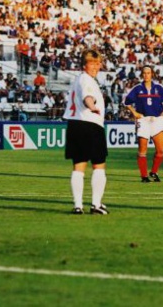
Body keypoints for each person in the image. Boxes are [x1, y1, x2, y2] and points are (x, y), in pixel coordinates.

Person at [63, 48, 109, 215]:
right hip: (90, 124)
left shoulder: (79, 79)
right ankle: (95, 204)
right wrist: (93, 107)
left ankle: (78, 205)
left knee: (79, 166)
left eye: (98, 63)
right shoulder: (87, 80)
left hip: (75, 125)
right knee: (98, 165)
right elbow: (87, 97)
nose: (96, 67)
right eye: (92, 63)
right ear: (84, 65)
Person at [124, 65, 163, 183]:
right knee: (142, 149)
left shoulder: (159, 88)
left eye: (148, 73)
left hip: (157, 120)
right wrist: (134, 113)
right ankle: (144, 176)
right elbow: (127, 102)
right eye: (144, 73)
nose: (146, 75)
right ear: (142, 75)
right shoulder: (137, 88)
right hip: (143, 120)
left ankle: (154, 172)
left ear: (152, 74)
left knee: (160, 150)